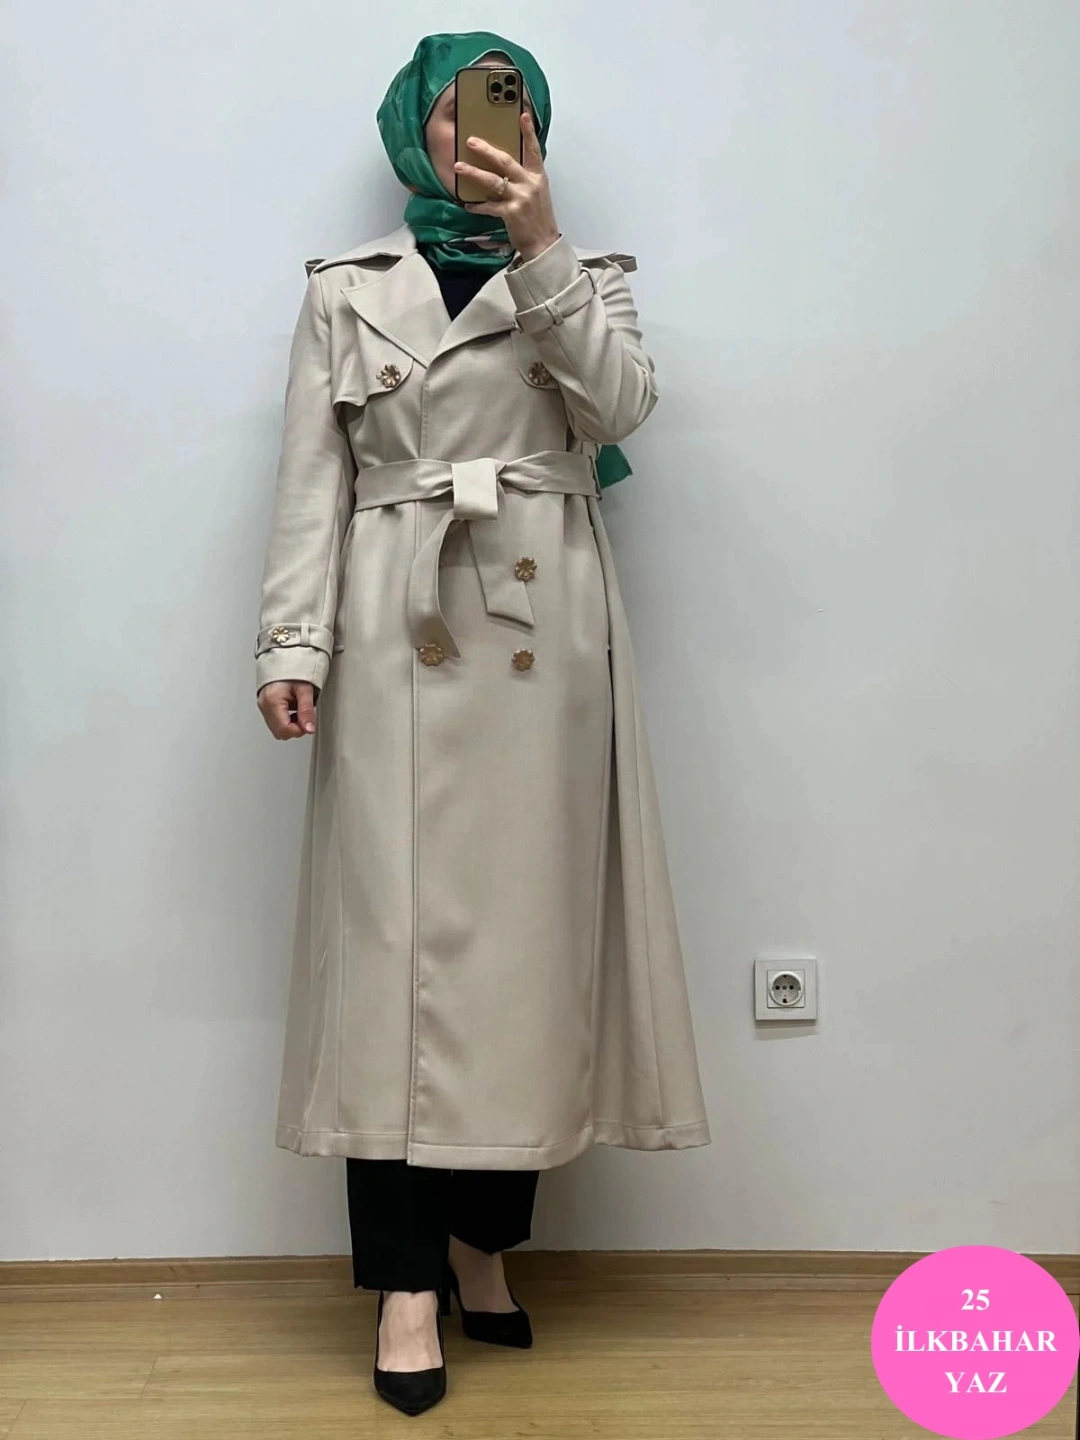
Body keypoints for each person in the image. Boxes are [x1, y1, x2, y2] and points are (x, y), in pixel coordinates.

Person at [253, 30, 710, 1416]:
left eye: (511, 113)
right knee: (389, 958)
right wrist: (292, 640)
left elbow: (622, 409)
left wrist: (544, 245)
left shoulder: (584, 276)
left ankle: (482, 1244)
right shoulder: (348, 289)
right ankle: (404, 1283)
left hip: (541, 632)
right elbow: (311, 477)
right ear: (415, 129)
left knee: (523, 955)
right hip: (396, 625)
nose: (485, 138)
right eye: (459, 115)